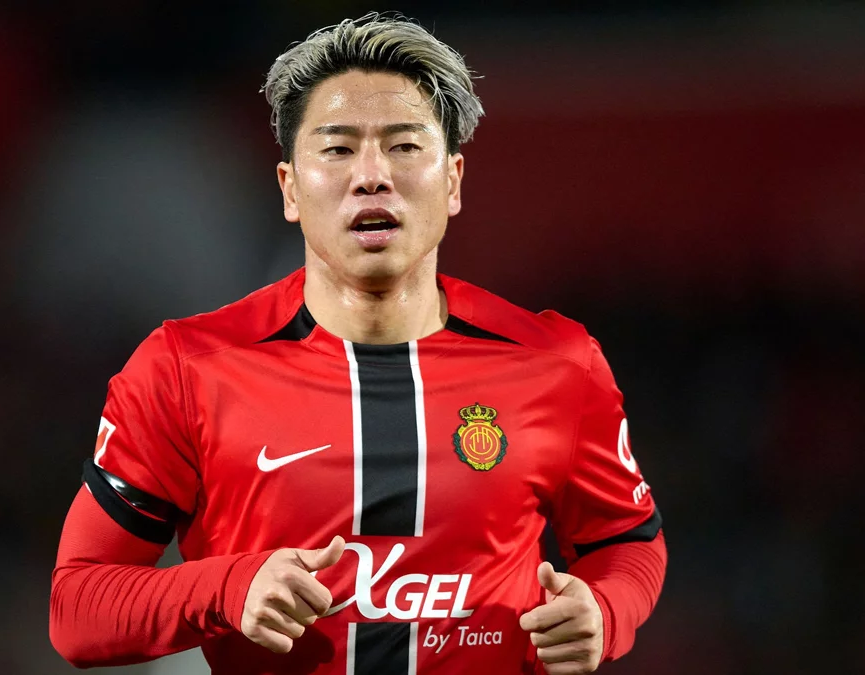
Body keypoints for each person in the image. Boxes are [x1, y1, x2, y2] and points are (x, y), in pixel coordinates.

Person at [49, 13, 666, 674]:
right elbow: (77, 609)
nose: (372, 175)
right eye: (338, 149)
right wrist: (228, 588)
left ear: (453, 182)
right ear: (289, 188)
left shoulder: (557, 363)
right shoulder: (185, 369)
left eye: (404, 146)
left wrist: (605, 611)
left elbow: (628, 541)